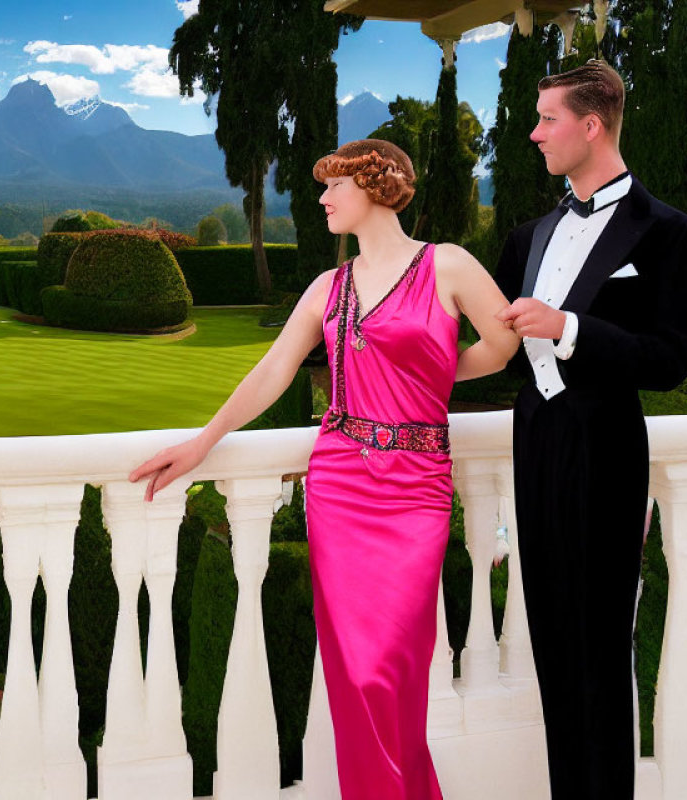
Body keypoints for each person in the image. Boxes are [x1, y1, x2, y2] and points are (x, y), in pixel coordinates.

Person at [130, 138, 519, 799]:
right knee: (355, 673)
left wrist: (435, 374)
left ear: (374, 186)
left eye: (334, 186)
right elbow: (272, 372)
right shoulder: (327, 287)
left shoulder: (448, 266)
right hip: (341, 484)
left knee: (391, 670)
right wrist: (204, 442)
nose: (322, 199)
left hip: (420, 484)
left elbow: (503, 342)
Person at [494, 60, 687, 799]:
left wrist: (571, 328)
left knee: (599, 645)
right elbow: (496, 350)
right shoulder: (529, 237)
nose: (534, 132)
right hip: (535, 443)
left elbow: (671, 359)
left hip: (608, 449)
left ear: (593, 124)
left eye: (548, 118)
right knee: (551, 640)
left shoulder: (669, 233)